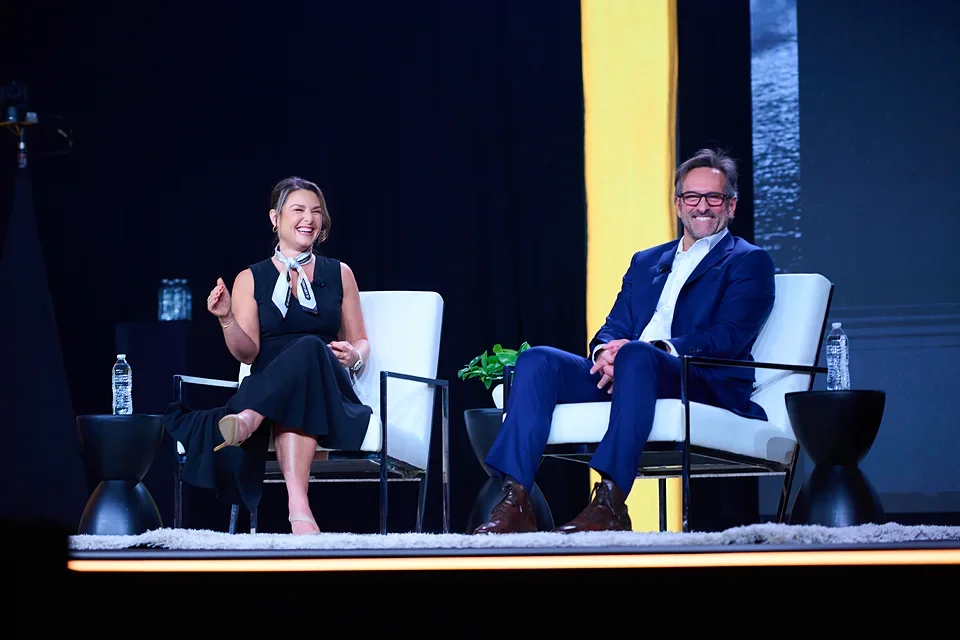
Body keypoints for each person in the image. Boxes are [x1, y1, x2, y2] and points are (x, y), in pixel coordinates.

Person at [472, 148, 776, 535]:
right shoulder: (646, 261)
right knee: (537, 361)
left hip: (698, 379)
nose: (703, 206)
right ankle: (516, 501)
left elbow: (730, 336)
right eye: (692, 197)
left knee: (635, 355)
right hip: (632, 373)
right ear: (679, 204)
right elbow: (614, 325)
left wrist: (650, 353)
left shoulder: (749, 260)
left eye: (714, 197)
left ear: (731, 206)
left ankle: (611, 502)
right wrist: (605, 354)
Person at [164, 176, 373, 535]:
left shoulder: (340, 273)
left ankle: (249, 417)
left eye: (316, 212)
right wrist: (227, 317)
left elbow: (361, 341)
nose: (309, 218)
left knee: (310, 347)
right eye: (298, 210)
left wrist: (354, 354)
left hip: (328, 385)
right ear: (275, 218)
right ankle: (299, 510)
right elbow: (248, 353)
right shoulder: (251, 277)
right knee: (295, 389)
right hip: (274, 385)